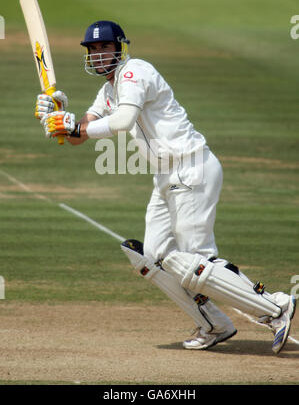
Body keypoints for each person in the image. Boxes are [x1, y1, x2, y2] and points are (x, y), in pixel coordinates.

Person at [35, 20, 296, 354]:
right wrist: (58, 116)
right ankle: (214, 323)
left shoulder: (134, 73)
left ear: (119, 49)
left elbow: (122, 121)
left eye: (105, 48)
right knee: (153, 257)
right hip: (166, 177)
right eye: (93, 50)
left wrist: (71, 123)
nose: (100, 55)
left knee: (194, 263)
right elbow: (80, 134)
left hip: (191, 168)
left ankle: (276, 307)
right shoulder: (109, 90)